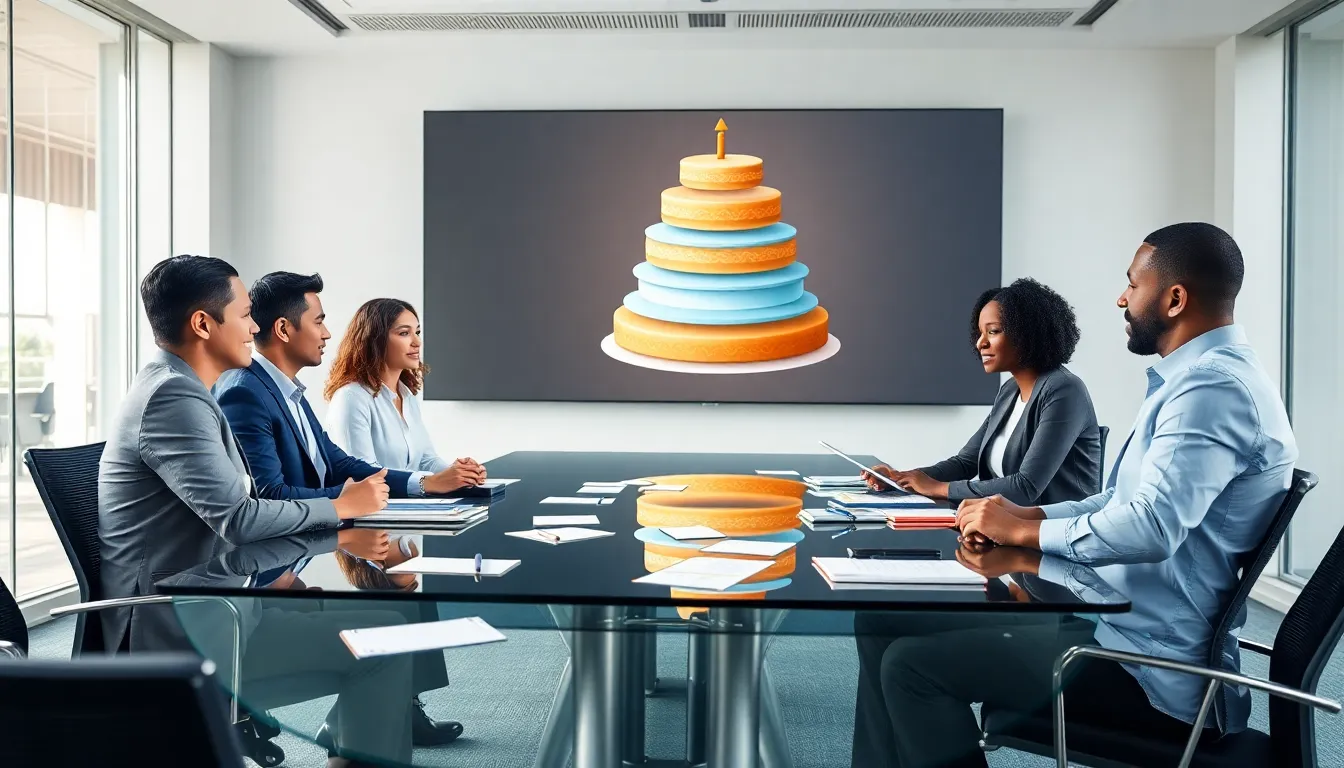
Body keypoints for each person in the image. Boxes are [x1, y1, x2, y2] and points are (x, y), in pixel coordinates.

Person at [854, 223, 1298, 767]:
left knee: (912, 667)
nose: (1121, 298)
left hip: (1147, 669)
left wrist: (1025, 531)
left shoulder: (1212, 390)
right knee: (881, 620)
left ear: (1175, 298)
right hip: (1113, 621)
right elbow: (1113, 502)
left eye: (1131, 285)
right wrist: (1022, 516)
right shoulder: (1192, 383)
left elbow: (1150, 528)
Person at [98, 255, 399, 768]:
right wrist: (340, 508)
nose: (255, 327)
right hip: (184, 627)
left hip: (219, 602)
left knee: (386, 625)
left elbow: (235, 514)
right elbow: (238, 518)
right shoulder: (173, 396)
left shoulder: (187, 389)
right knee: (382, 642)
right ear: (202, 324)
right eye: (243, 315)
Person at [212, 272, 466, 746]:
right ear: (285, 330)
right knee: (393, 593)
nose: (329, 332)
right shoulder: (245, 392)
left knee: (405, 574)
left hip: (301, 547)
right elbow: (267, 492)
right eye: (320, 321)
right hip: (267, 566)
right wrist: (344, 505)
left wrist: (420, 482)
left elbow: (339, 462)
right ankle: (375, 717)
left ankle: (387, 713)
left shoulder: (288, 393)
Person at [864, 278, 1101, 506]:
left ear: (1028, 333)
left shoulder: (1064, 390)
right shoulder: (1010, 391)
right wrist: (900, 478)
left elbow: (1026, 487)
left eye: (993, 331)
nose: (980, 343)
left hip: (1056, 536)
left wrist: (938, 488)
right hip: (1008, 526)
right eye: (979, 333)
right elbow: (966, 462)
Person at [325, 297, 485, 481]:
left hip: (406, 505)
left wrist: (459, 473)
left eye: (417, 332)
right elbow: (363, 475)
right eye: (404, 333)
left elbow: (426, 460)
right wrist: (429, 482)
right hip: (373, 508)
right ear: (374, 339)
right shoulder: (351, 397)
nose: (417, 342)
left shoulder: (407, 396)